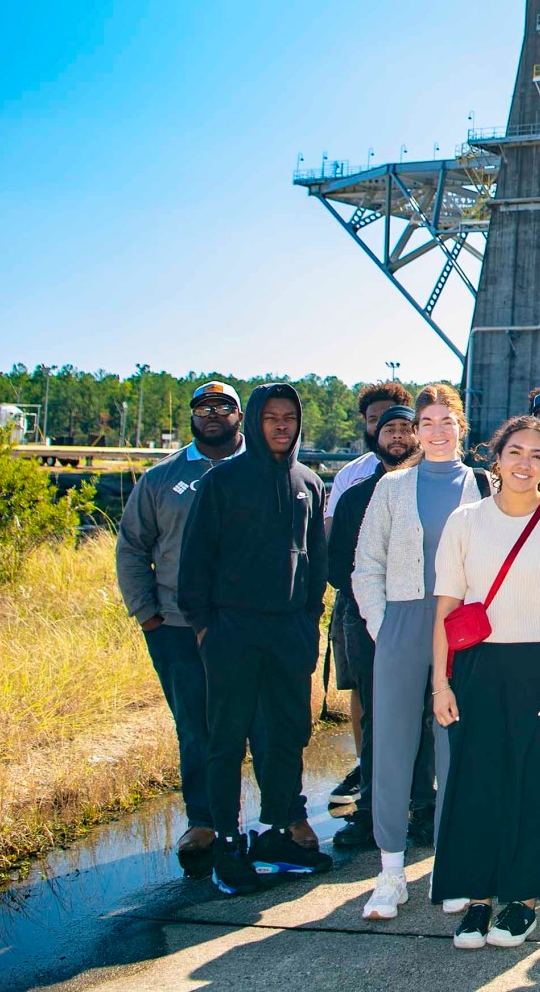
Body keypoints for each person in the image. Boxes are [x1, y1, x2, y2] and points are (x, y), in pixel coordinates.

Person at [116, 381, 304, 875]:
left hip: (253, 626)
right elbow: (134, 547)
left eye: (225, 407)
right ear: (193, 417)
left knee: (270, 724)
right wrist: (151, 616)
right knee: (199, 728)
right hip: (181, 626)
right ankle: (207, 822)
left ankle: (283, 818)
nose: (215, 414)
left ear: (243, 416)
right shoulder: (162, 479)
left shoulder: (284, 473)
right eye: (205, 407)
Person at [429, 416, 540, 949]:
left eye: (537, 456)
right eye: (515, 452)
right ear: (494, 456)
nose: (524, 463)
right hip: (476, 665)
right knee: (477, 782)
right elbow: (446, 608)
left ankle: (522, 900)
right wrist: (442, 683)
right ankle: (477, 899)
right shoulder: (465, 521)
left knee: (536, 782)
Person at [178, 383, 332, 895]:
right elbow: (194, 562)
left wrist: (309, 621)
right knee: (227, 740)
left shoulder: (308, 483)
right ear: (256, 421)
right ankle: (227, 844)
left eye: (289, 417)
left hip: (288, 632)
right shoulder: (222, 482)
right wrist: (206, 628)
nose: (282, 426)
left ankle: (274, 834)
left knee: (287, 736)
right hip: (232, 631)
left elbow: (316, 561)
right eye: (272, 417)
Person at [352, 384, 491, 917]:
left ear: (461, 426)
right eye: (426, 422)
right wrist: (383, 625)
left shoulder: (484, 486)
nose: (435, 431)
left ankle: (450, 863)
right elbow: (368, 564)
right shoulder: (392, 487)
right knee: (391, 743)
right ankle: (390, 871)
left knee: (456, 741)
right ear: (417, 431)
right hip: (403, 620)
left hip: (461, 625)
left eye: (445, 421)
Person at [325, 401, 419, 849]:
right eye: (389, 429)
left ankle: (423, 806)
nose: (397, 436)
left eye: (406, 428)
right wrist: (375, 604)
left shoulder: (429, 489)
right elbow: (338, 564)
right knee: (378, 713)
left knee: (423, 711)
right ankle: (371, 810)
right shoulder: (355, 496)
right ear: (374, 437)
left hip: (420, 616)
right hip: (364, 617)